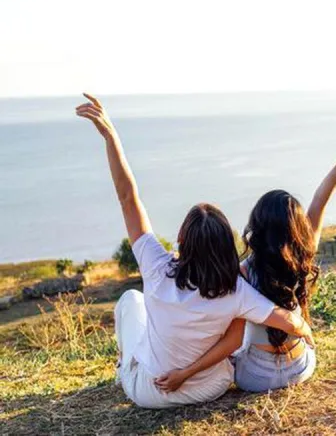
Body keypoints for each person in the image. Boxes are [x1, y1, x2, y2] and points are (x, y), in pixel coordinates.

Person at [76, 94, 314, 408]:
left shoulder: (156, 266)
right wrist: (305, 331)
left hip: (152, 393)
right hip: (210, 388)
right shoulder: (238, 290)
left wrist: (111, 136)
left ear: (181, 241)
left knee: (132, 301)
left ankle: (124, 369)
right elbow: (290, 322)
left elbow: (127, 196)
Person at [153, 127, 336, 393]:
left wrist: (185, 370)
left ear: (257, 227)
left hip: (254, 379)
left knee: (237, 340)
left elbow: (231, 340)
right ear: (296, 229)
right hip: (301, 368)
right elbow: (321, 198)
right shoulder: (305, 252)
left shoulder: (242, 274)